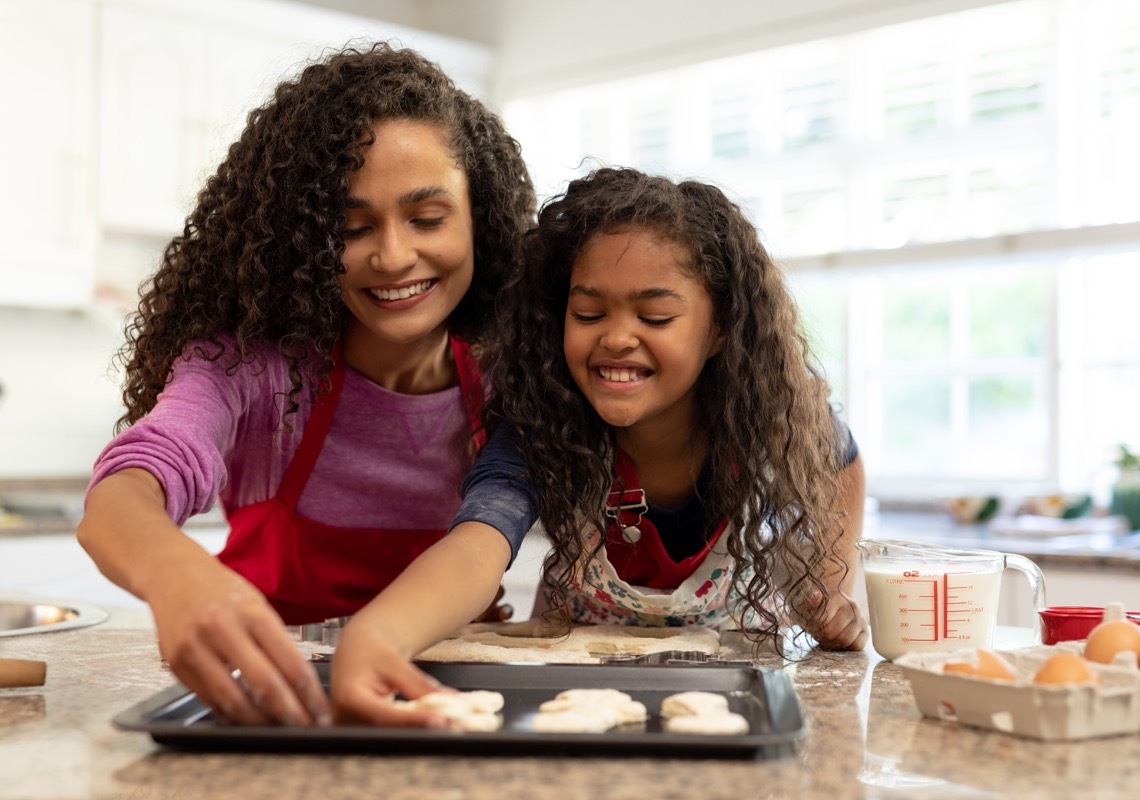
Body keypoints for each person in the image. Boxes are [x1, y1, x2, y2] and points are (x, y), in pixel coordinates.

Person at [76, 43, 539, 727]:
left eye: (428, 218)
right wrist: (176, 577)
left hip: (445, 702)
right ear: (307, 240)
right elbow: (127, 490)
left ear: (483, 219)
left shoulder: (510, 380)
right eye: (351, 227)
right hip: (273, 700)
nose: (392, 255)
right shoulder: (254, 367)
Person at [471, 166, 868, 652]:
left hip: (733, 673)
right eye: (588, 314)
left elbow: (840, 454)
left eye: (655, 317)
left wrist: (828, 586)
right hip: (573, 669)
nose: (616, 338)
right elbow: (475, 543)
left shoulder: (771, 421)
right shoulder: (541, 426)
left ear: (720, 329)